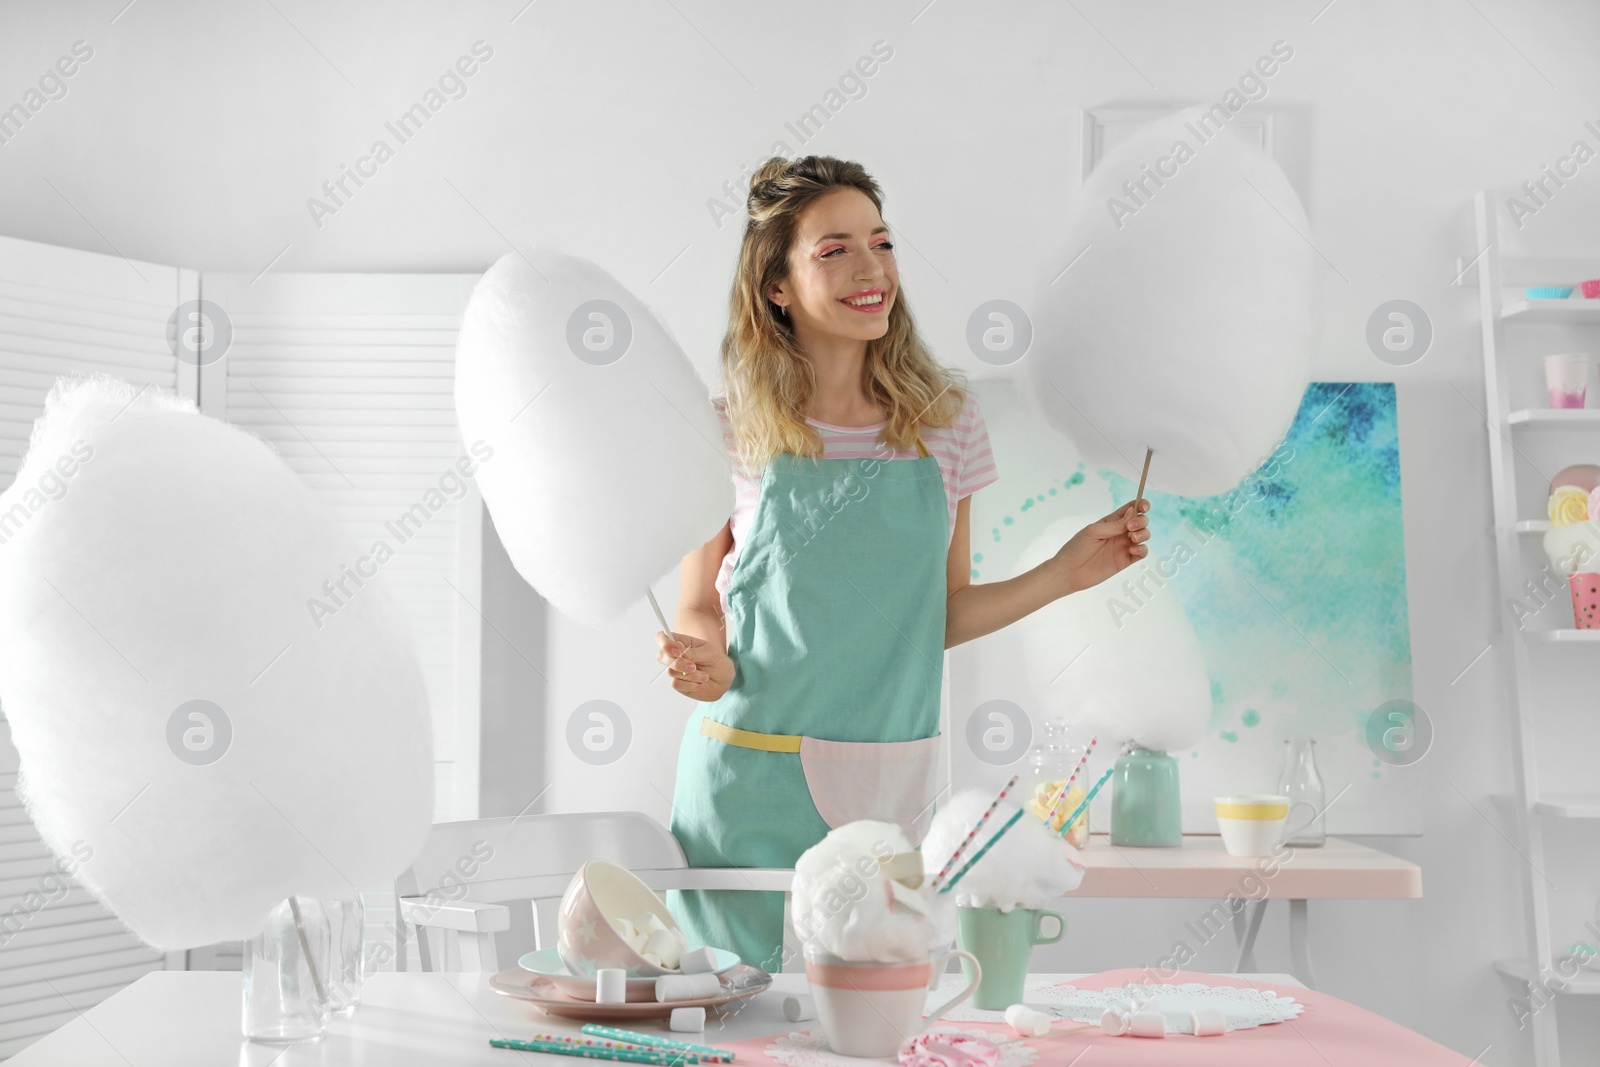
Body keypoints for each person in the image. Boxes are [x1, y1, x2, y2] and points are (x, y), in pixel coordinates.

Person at [656, 155, 1151, 974]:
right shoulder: (728, 430)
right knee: (735, 1017)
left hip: (891, 778)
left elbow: (939, 612)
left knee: (874, 1013)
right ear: (775, 286)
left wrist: (1064, 572)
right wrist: (699, 655)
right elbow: (697, 604)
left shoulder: (946, 424)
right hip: (749, 781)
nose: (871, 268)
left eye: (881, 244)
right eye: (835, 249)